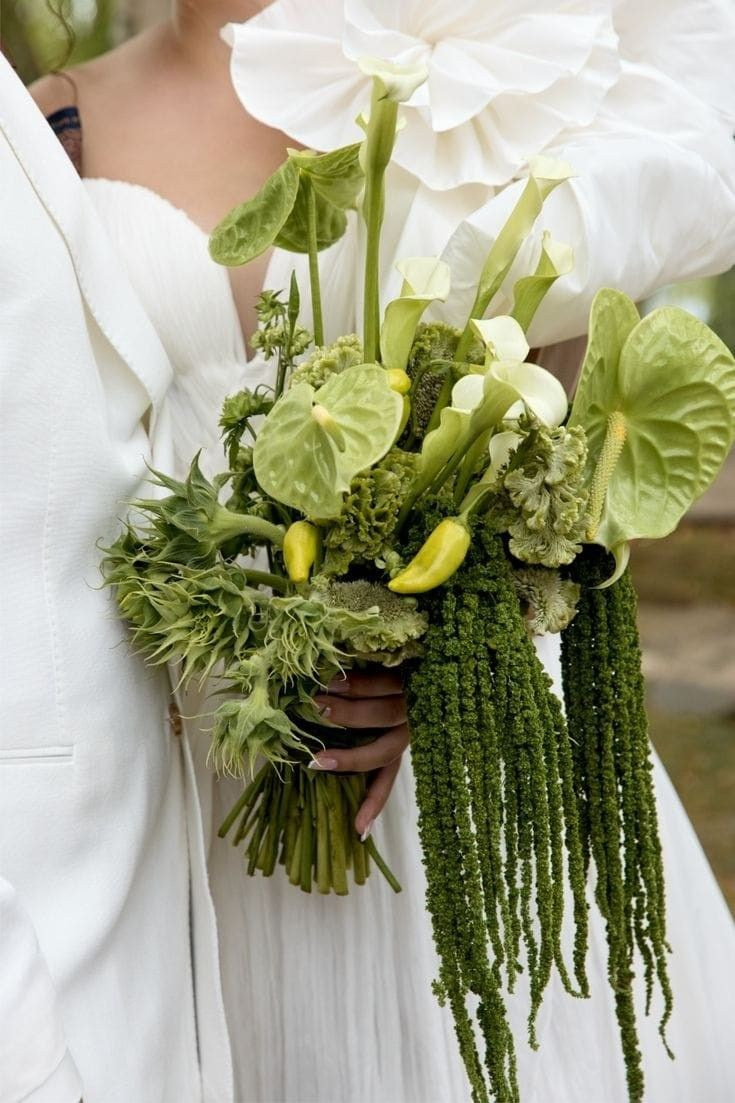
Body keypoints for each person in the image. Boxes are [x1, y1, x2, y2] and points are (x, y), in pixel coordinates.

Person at [22, 1, 735, 1101]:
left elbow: (570, 428)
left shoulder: (481, 75)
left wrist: (447, 634)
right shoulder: (50, 130)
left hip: (471, 747)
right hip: (201, 770)